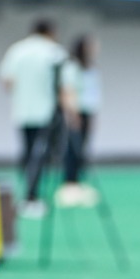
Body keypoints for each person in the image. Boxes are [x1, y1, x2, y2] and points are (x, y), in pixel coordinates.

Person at [0, 18, 69, 219]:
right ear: (50, 32)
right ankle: (32, 196)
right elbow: (64, 85)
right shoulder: (55, 52)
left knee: (28, 152)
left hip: (22, 110)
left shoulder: (16, 50)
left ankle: (28, 195)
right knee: (40, 154)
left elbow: (7, 81)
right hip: (46, 112)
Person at [56, 34, 102, 208]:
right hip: (76, 112)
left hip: (88, 111)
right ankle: (69, 183)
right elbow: (67, 90)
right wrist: (72, 113)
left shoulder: (90, 67)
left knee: (82, 148)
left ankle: (78, 183)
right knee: (72, 148)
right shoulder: (72, 67)